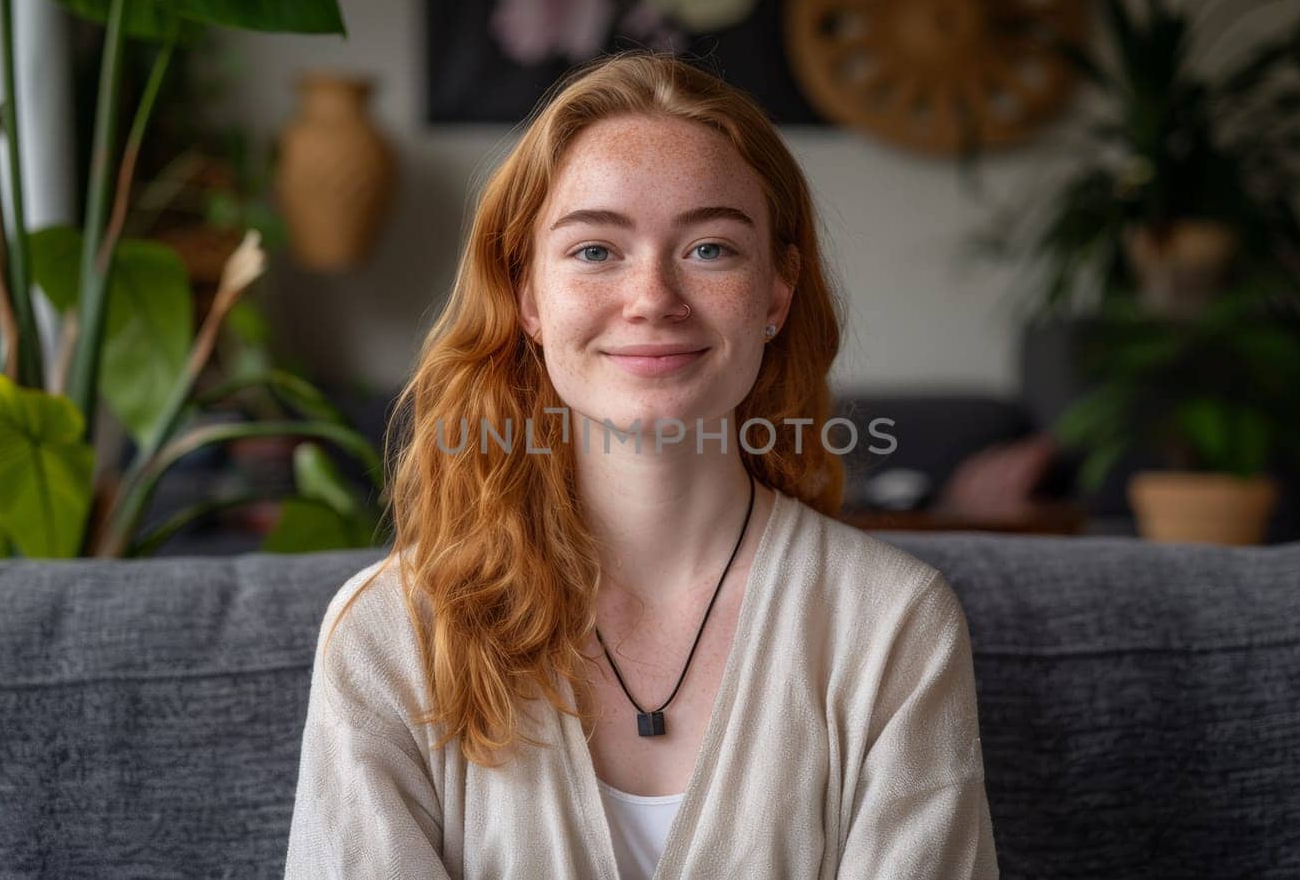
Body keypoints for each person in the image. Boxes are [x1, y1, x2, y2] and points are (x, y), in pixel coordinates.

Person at [284, 50, 999, 880]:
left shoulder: (892, 627)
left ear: (776, 291)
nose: (653, 296)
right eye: (595, 250)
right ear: (528, 297)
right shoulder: (391, 636)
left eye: (710, 249)